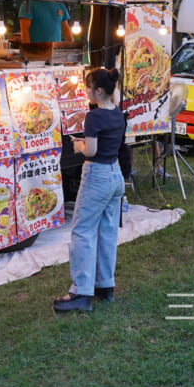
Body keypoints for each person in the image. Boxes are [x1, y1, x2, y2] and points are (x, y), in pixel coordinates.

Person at [54, 67, 127, 312]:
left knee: (82, 231)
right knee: (107, 232)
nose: (85, 91)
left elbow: (92, 151)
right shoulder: (117, 112)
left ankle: (81, 291)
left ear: (97, 90)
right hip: (115, 175)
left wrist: (78, 146)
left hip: (97, 175)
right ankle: (105, 286)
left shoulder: (93, 117)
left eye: (87, 87)